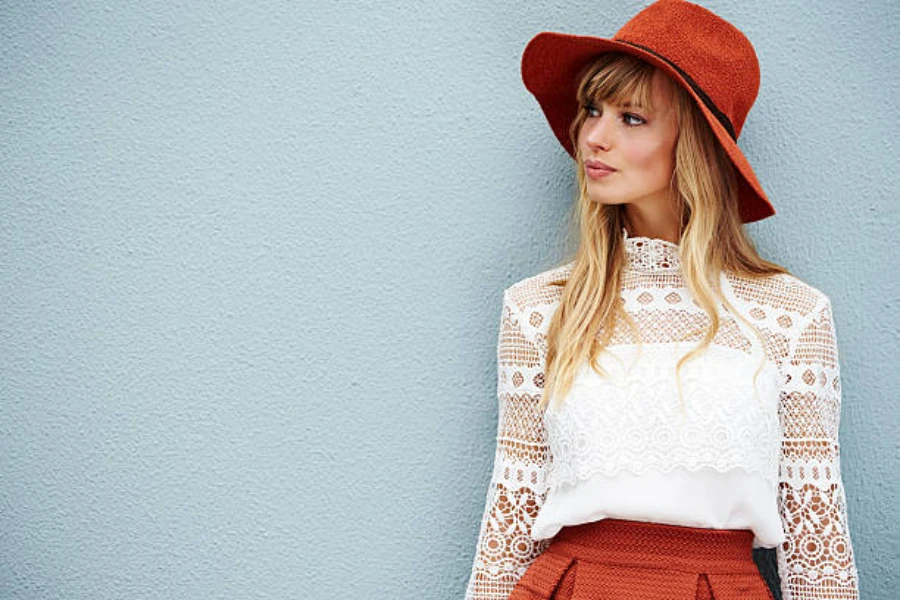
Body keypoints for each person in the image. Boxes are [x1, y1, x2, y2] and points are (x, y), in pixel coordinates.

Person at [463, 1, 860, 599]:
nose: (592, 136)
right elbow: (509, 526)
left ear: (695, 142)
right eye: (592, 110)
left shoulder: (793, 316)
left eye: (632, 117)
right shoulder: (539, 308)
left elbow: (816, 552)